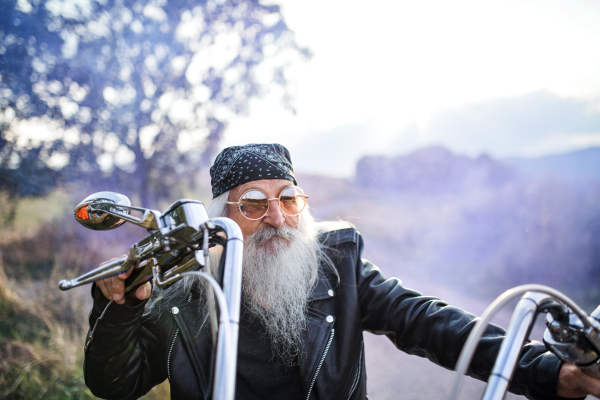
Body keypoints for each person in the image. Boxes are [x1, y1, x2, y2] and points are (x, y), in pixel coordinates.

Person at [84, 143, 600, 400]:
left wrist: (549, 371)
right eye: (255, 203)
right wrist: (116, 309)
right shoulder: (186, 289)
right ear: (222, 217)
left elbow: (427, 322)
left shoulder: (338, 264)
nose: (277, 217)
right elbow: (115, 385)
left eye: (288, 198)